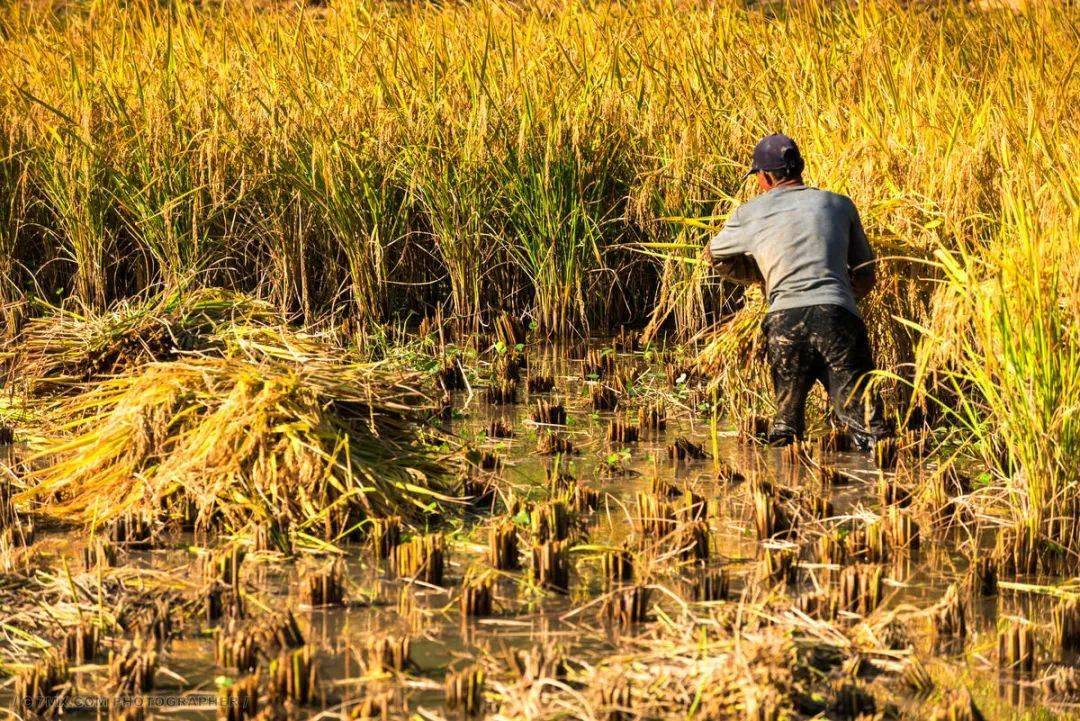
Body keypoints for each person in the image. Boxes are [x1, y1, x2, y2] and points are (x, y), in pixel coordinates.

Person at [709, 133, 890, 449]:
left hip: (784, 322)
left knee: (785, 430)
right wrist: (843, 298)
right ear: (801, 167)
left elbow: (714, 255)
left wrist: (762, 276)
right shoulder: (839, 204)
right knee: (868, 429)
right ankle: (879, 485)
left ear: (764, 177)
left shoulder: (748, 213)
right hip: (838, 317)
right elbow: (865, 273)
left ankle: (785, 486)